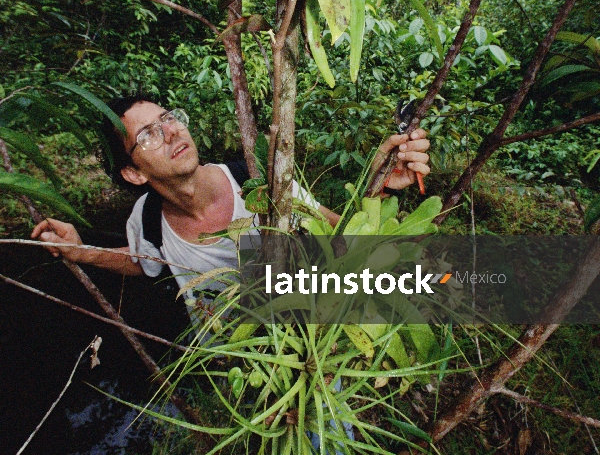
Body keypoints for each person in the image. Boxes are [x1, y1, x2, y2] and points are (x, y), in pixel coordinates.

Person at [31, 95, 431, 297]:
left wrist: (375, 183)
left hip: (304, 345)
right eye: (148, 134)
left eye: (168, 118)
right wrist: (83, 252)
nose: (171, 131)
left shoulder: (258, 182)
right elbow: (144, 261)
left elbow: (340, 234)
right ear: (133, 172)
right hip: (230, 363)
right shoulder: (147, 218)